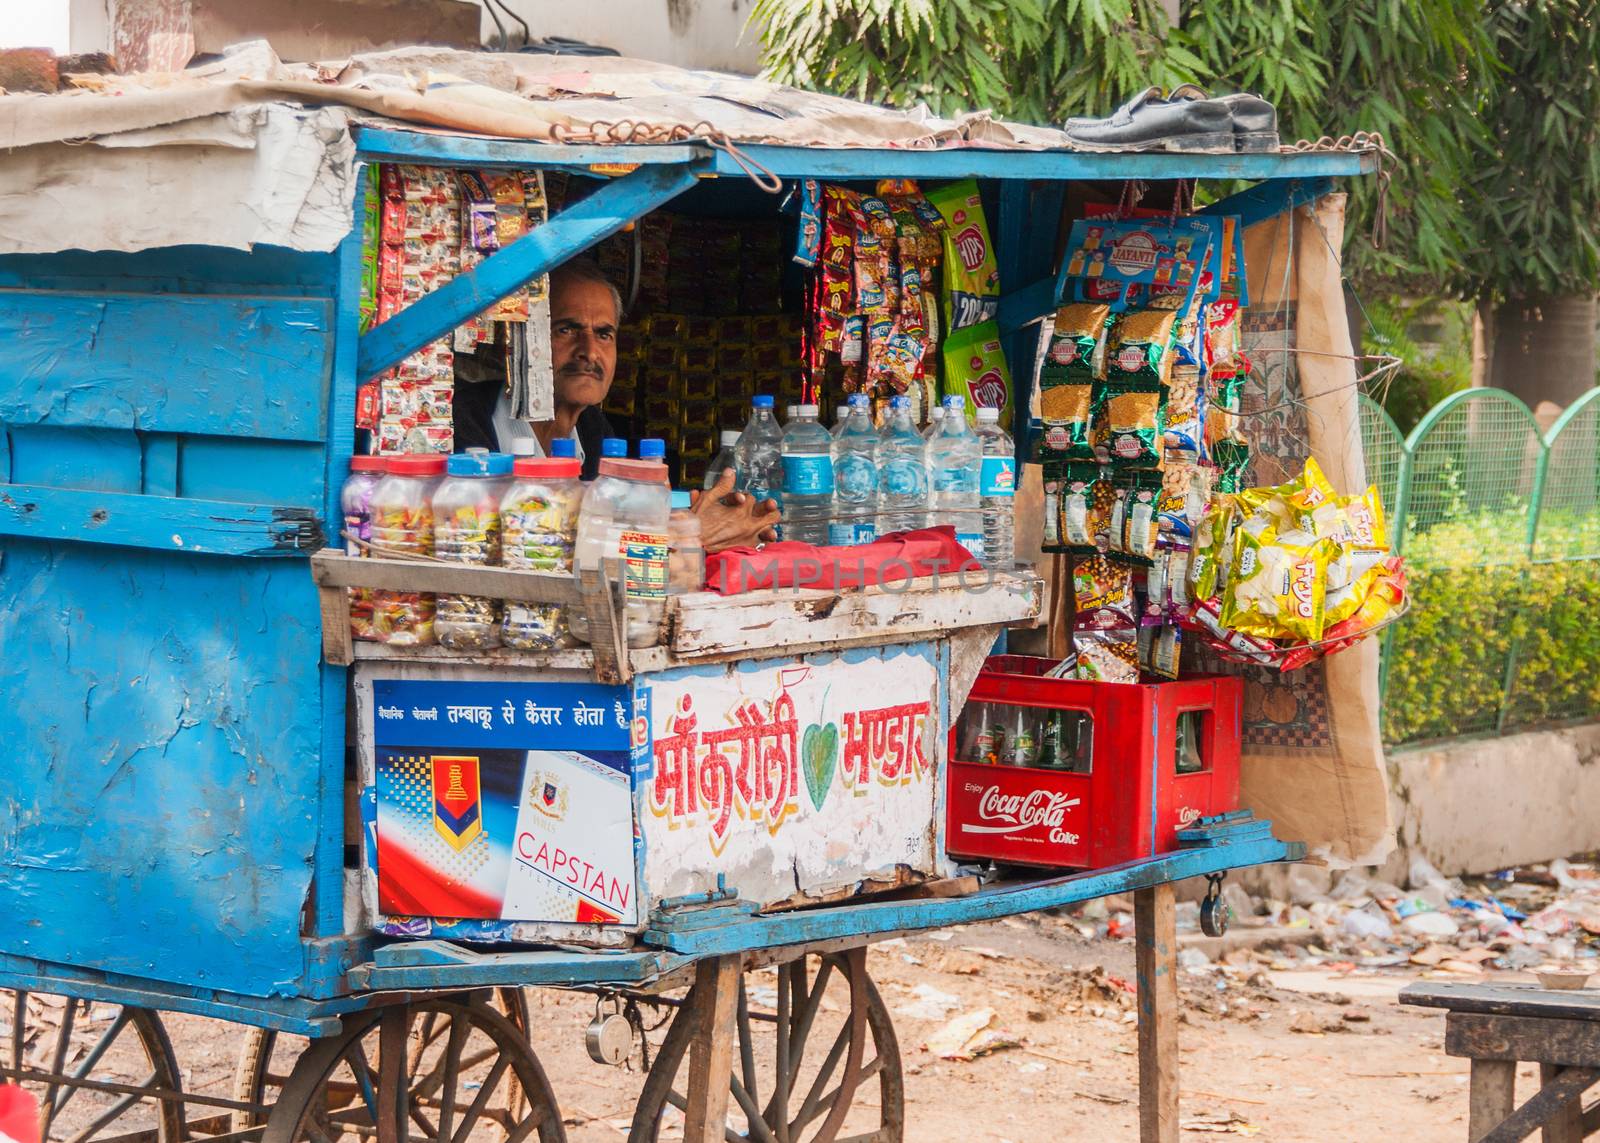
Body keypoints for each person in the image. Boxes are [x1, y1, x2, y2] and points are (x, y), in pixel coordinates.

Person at [453, 259, 779, 551]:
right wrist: (686, 535)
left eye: (604, 334)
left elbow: (612, 535)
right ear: (516, 340)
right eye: (566, 329)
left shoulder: (595, 431)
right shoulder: (459, 423)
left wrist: (721, 528)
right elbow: (491, 543)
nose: (590, 352)